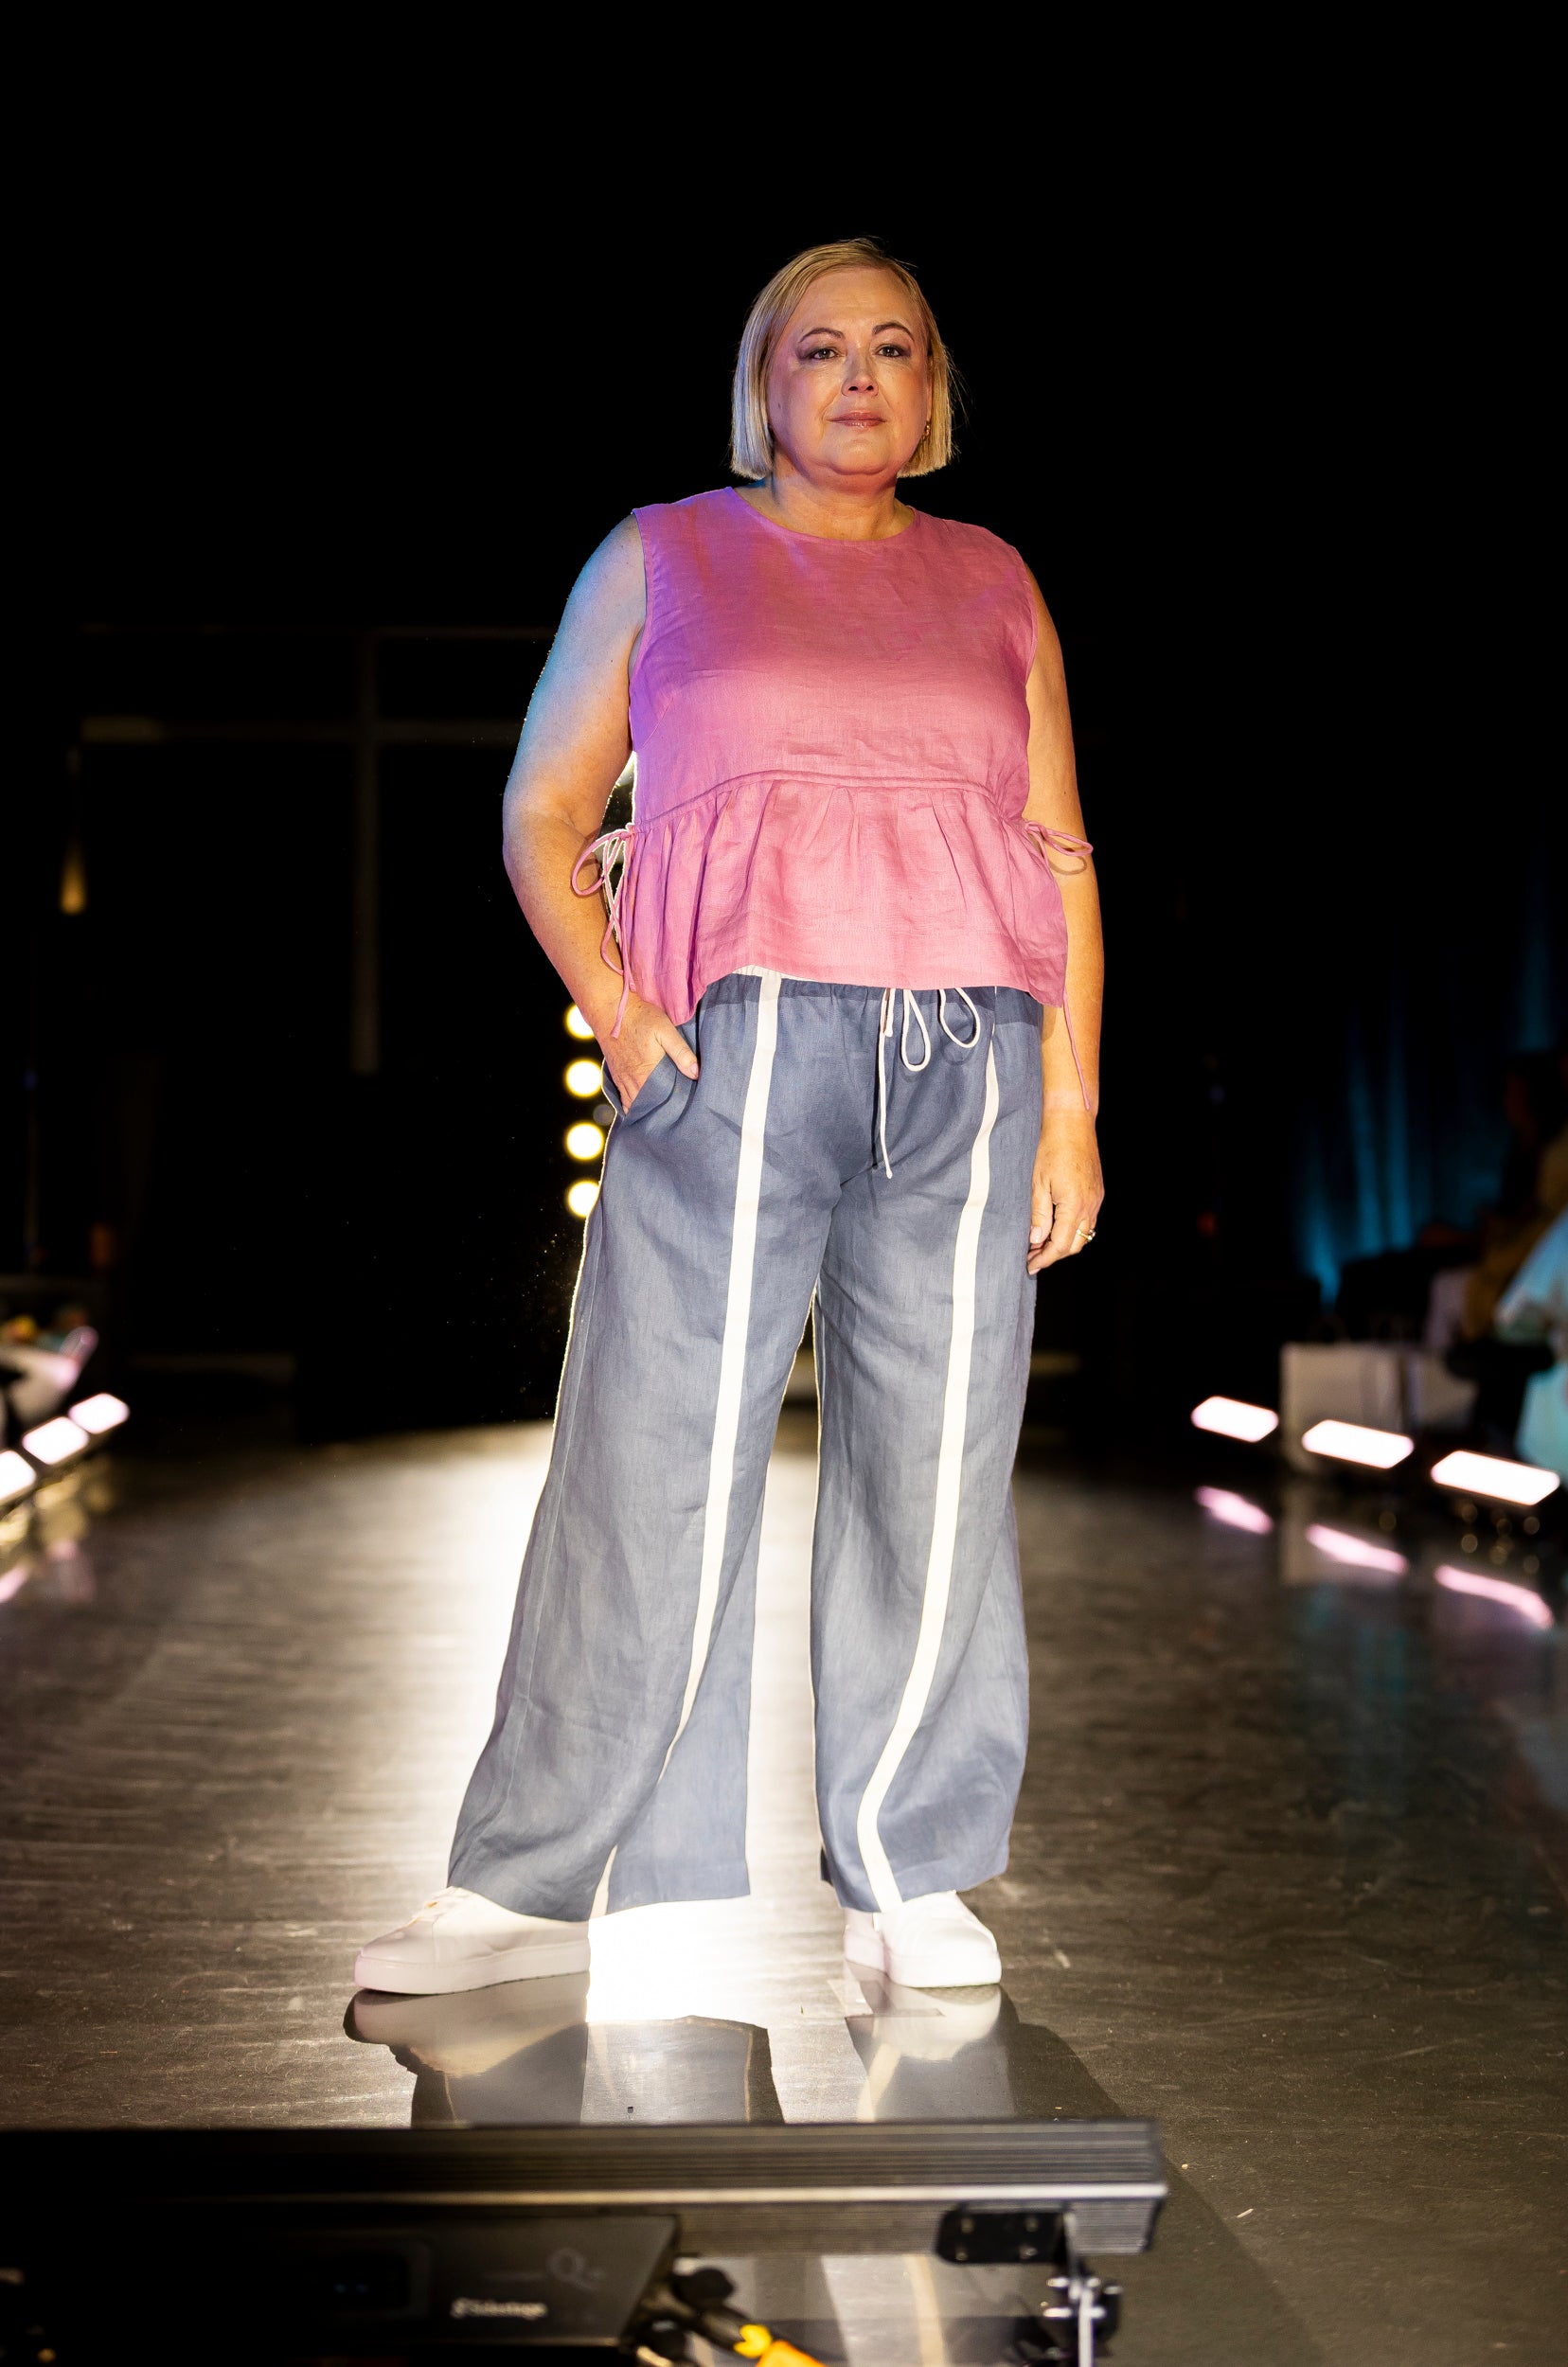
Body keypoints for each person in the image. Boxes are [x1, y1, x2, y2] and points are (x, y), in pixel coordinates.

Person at [355, 239, 1103, 1998]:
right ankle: (530, 1882)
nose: (859, 378)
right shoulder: (665, 551)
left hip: (972, 1054)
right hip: (737, 1041)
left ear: (933, 395)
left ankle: (909, 1871)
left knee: (935, 1476)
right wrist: (622, 1017)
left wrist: (1073, 1102)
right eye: (819, 348)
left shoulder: (995, 577)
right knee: (652, 1459)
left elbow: (1060, 852)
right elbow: (545, 812)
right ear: (763, 385)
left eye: (895, 350)